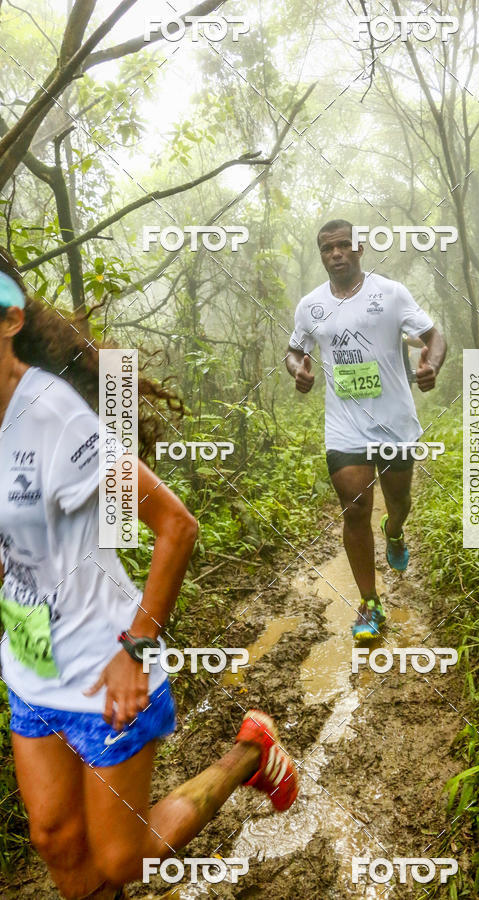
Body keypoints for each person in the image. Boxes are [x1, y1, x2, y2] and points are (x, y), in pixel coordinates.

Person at [0, 248, 298, 900]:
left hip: (108, 667)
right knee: (57, 845)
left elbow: (176, 525)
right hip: (32, 668)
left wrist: (137, 650)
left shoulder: (52, 417)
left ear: (8, 319)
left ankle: (251, 753)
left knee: (121, 859)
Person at [285, 220, 446, 641]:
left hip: (393, 423)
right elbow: (294, 349)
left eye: (342, 246)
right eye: (327, 249)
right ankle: (370, 603)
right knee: (355, 508)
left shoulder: (390, 293)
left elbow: (433, 335)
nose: (335, 254)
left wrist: (431, 364)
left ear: (358, 249)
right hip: (345, 426)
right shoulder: (310, 305)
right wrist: (298, 370)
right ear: (321, 255)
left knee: (399, 500)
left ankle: (394, 530)